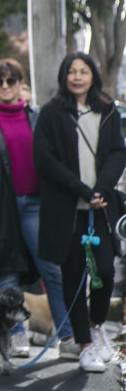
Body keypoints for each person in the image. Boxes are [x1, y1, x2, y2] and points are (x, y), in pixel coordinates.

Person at [0, 58, 73, 359]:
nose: (5, 86)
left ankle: (66, 334)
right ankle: (16, 335)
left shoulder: (37, 117)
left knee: (50, 268)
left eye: (11, 80)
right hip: (2, 206)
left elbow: (53, 158)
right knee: (7, 271)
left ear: (20, 83)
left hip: (35, 204)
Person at [34, 51, 126, 374]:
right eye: (71, 71)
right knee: (74, 276)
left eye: (83, 71)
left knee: (104, 272)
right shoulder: (51, 113)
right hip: (67, 210)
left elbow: (118, 152)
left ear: (92, 76)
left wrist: (100, 188)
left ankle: (98, 325)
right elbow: (44, 160)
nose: (76, 77)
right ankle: (84, 345)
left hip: (100, 209)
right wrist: (83, 190)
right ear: (64, 77)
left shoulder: (108, 110)